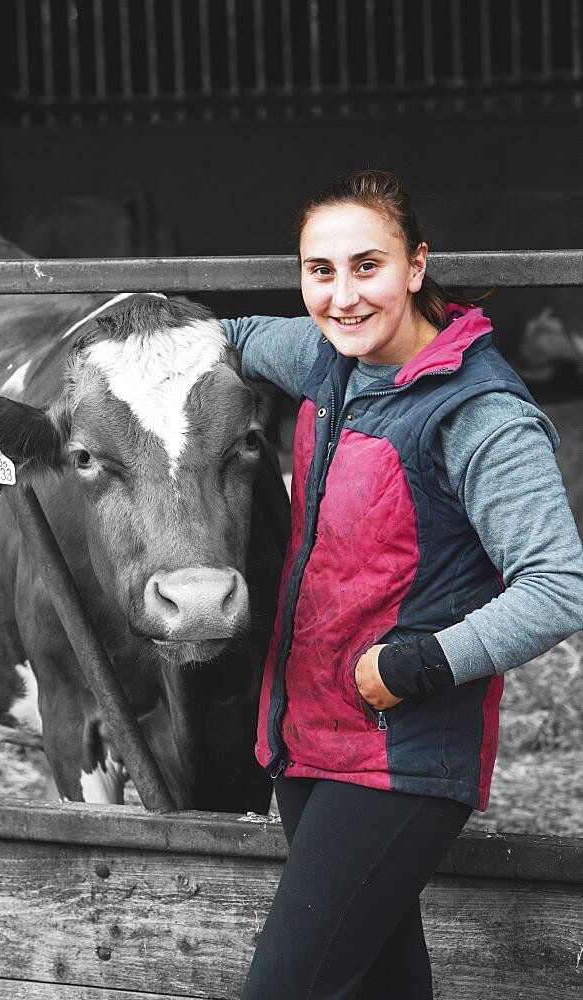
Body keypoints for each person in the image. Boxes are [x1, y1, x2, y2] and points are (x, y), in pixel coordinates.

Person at [220, 169, 583, 1000]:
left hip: (400, 754)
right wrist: (124, 337)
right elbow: (229, 334)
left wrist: (413, 666)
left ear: (416, 267)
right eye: (321, 270)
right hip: (306, 740)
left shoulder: (477, 413)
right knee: (379, 986)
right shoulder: (325, 360)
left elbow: (559, 585)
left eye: (367, 266)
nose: (343, 295)